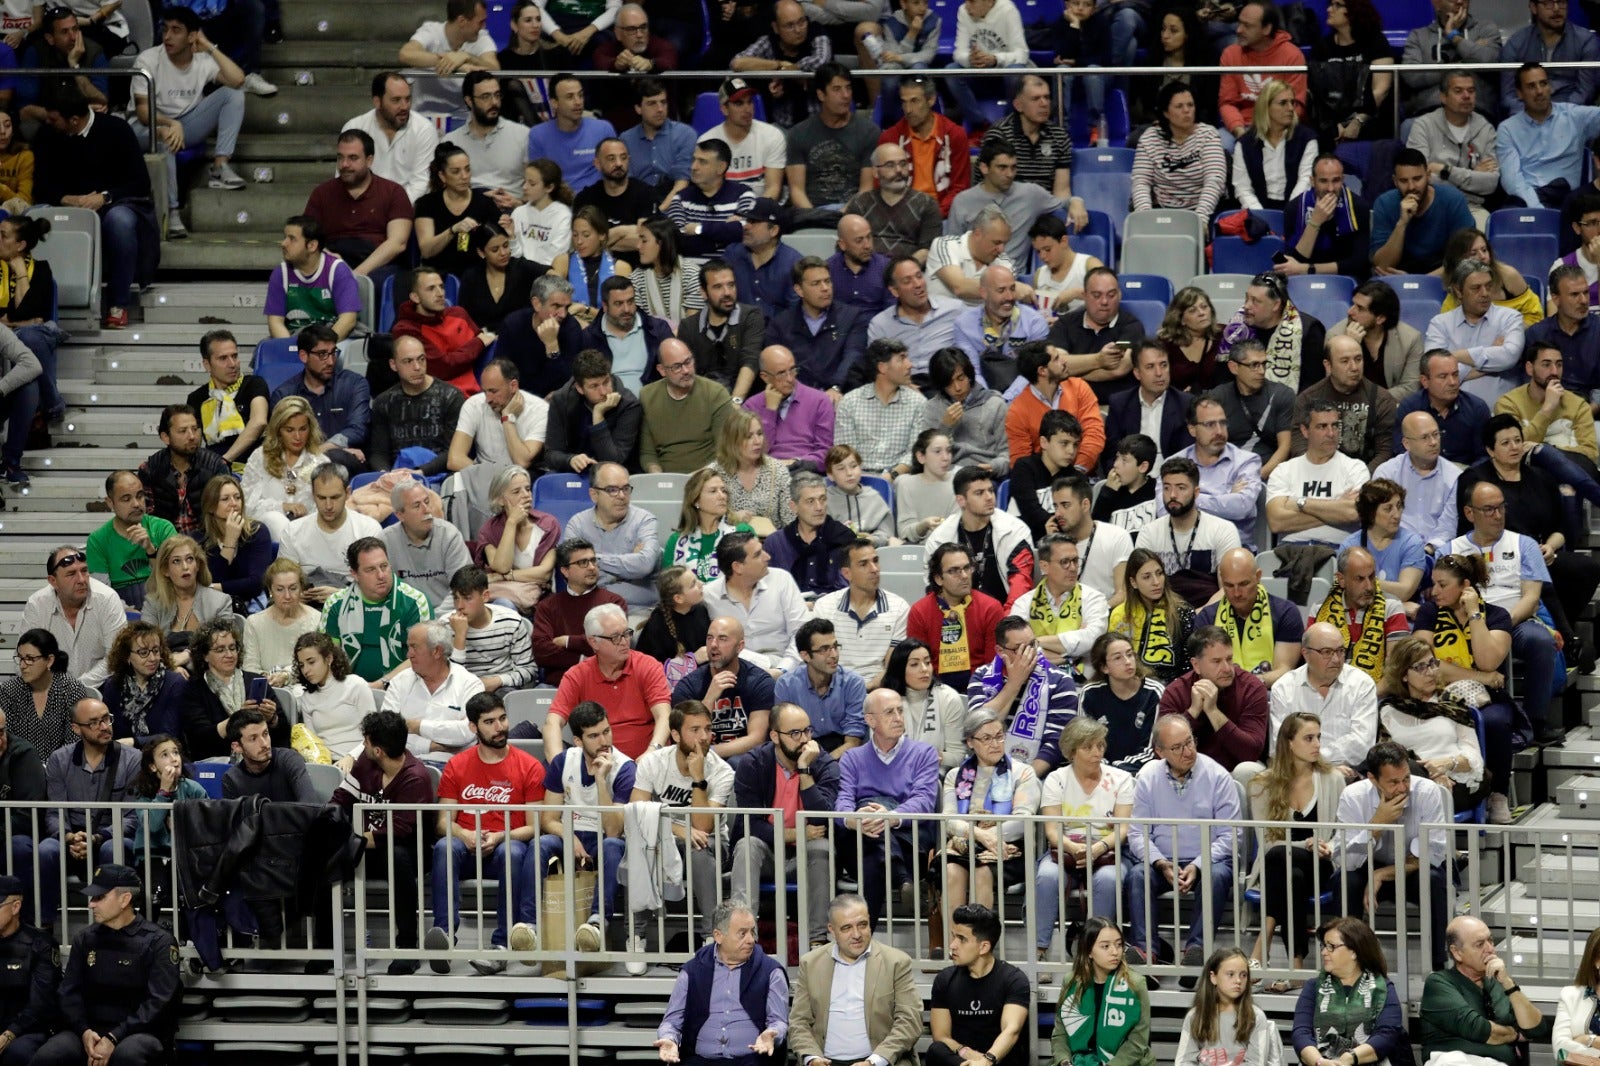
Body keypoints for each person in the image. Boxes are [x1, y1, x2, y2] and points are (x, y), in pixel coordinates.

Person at [424, 690, 546, 974]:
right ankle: (443, 936)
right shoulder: (458, 764)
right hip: (467, 845)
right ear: (473, 727)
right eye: (489, 721)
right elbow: (443, 822)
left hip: (506, 846)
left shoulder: (529, 765)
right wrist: (464, 834)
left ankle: (502, 945)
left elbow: (536, 824)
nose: (500, 727)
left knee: (513, 851)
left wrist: (502, 835)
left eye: (503, 718)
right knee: (444, 847)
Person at [30, 864, 179, 1066]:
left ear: (125, 899)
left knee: (127, 1057)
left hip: (137, 1032)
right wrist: (83, 1031)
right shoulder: (85, 938)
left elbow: (158, 1003)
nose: (91, 904)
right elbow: (68, 992)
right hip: (89, 1030)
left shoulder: (158, 941)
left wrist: (114, 1037)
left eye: (99, 897)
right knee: (49, 1056)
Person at [35, 90, 158, 330]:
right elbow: (40, 186)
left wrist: (104, 197)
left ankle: (118, 304)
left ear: (73, 120)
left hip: (115, 203)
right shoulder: (48, 135)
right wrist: (66, 198)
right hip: (68, 205)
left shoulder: (117, 129)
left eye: (54, 119)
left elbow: (140, 182)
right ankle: (42, 305)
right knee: (36, 215)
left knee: (120, 221)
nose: (49, 123)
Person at [322, 709, 432, 974]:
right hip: (366, 847)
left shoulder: (415, 777)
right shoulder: (365, 765)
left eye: (366, 741)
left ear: (378, 749)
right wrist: (330, 827)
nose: (364, 746)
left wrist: (351, 839)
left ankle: (407, 948)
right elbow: (340, 800)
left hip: (410, 852)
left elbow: (400, 830)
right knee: (324, 854)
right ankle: (326, 948)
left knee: (397, 856)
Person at [1126, 714, 1241, 968]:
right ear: (1159, 751)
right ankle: (1146, 952)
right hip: (1164, 860)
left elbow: (1231, 835)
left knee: (1217, 875)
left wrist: (1198, 865)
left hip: (1209, 859)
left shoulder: (1217, 775)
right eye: (1177, 748)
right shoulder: (1147, 777)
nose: (1187, 751)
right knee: (1137, 875)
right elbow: (1137, 833)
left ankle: (1196, 950)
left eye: (1189, 742)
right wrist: (1160, 863)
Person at [1410, 555, 1519, 813]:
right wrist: (1481, 676)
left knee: (1495, 722)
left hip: (1488, 699)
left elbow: (1487, 659)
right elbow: (1423, 661)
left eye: (1442, 584)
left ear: (1465, 586)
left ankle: (1498, 793)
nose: (1434, 591)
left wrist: (1474, 614)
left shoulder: (1496, 615)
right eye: (1433, 584)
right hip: (1436, 695)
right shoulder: (1429, 612)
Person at [624, 701, 735, 952]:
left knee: (698, 850)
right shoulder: (653, 763)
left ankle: (711, 938)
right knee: (639, 847)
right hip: (664, 839)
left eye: (707, 729)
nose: (704, 737)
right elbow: (636, 812)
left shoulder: (722, 771)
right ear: (675, 735)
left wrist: (698, 780)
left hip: (712, 842)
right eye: (695, 730)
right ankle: (636, 937)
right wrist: (677, 830)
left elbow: (703, 826)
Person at [1245, 712, 1346, 982]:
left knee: (1287, 863)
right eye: (1309, 738)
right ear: (1289, 743)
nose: (1317, 744)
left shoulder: (1333, 779)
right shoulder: (1262, 784)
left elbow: (1342, 831)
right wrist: (1305, 843)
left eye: (1319, 737)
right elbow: (1267, 843)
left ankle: (1260, 946)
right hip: (1281, 869)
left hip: (1321, 866)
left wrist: (1326, 846)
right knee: (1290, 872)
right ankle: (1296, 965)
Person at [130, 7, 246, 240]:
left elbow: (238, 79)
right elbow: (143, 112)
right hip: (146, 128)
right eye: (165, 29)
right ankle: (173, 212)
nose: (167, 37)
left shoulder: (202, 61)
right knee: (165, 138)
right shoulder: (148, 59)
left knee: (234, 95)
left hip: (185, 123)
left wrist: (209, 47)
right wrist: (169, 124)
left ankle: (219, 167)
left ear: (192, 36)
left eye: (176, 31)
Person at [729, 702, 838, 947]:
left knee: (821, 847)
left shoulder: (823, 763)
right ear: (775, 736)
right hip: (767, 852)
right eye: (795, 734)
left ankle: (817, 940)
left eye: (808, 731)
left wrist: (805, 771)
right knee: (748, 845)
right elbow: (751, 824)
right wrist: (798, 833)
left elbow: (823, 819)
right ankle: (741, 935)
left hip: (806, 855)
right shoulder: (753, 764)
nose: (805, 740)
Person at [1338, 740, 1451, 968]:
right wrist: (1378, 823)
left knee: (1434, 881)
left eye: (1406, 778)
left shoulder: (1427, 792)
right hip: (1365, 866)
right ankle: (1347, 966)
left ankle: (1439, 967)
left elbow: (1433, 852)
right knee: (1344, 882)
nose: (1402, 788)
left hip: (1411, 869)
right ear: (1372, 779)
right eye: (1393, 782)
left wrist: (1382, 874)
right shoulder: (1352, 796)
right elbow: (1347, 860)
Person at [534, 700, 631, 949]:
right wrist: (570, 836)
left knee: (612, 845)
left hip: (602, 837)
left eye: (606, 731)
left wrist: (601, 780)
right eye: (594, 736)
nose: (604, 741)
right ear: (578, 741)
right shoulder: (562, 762)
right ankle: (529, 925)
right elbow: (548, 820)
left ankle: (597, 922)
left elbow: (613, 830)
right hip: (569, 834)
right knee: (540, 844)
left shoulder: (625, 768)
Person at [36, 699, 141, 927]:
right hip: (71, 839)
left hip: (108, 837)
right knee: (45, 850)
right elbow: (54, 813)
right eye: (94, 723)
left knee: (115, 847)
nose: (104, 727)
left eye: (106, 719)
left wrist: (96, 838)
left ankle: (113, 926)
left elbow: (131, 818)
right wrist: (68, 838)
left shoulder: (132, 759)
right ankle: (44, 928)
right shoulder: (59, 759)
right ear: (76, 728)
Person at [790, 892, 922, 1066]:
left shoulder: (896, 962)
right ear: (831, 930)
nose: (857, 934)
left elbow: (910, 1021)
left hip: (879, 1060)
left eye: (862, 925)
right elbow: (799, 1022)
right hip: (825, 1060)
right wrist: (812, 1058)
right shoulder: (811, 963)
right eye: (846, 928)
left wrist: (874, 1061)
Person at [935, 707, 1040, 913]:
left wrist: (987, 838)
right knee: (952, 871)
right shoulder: (954, 776)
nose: (995, 744)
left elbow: (1022, 821)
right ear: (970, 742)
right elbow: (949, 820)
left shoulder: (1022, 773)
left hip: (1009, 847)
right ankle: (954, 943)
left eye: (999, 736)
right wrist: (979, 836)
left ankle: (981, 943)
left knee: (981, 871)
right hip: (963, 845)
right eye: (986, 738)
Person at [653, 899, 788, 1057]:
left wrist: (773, 1033)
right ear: (718, 936)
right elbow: (671, 1021)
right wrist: (669, 1039)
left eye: (753, 932)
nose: (751, 940)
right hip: (699, 1061)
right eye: (742, 933)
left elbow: (779, 1021)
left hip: (752, 1061)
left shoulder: (771, 972)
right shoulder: (692, 972)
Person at [1378, 634, 1492, 816]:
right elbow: (1385, 758)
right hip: (1408, 783)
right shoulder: (1388, 710)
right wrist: (1430, 775)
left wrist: (1446, 764)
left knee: (1430, 793)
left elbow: (1474, 757)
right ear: (1403, 675)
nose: (1430, 672)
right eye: (1421, 667)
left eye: (1432, 663)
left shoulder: (1452, 706)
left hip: (1455, 781)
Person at [543, 603, 672, 761]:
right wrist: (558, 764)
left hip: (647, 763)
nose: (625, 642)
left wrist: (653, 750)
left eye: (626, 633)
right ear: (593, 642)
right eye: (615, 637)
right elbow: (553, 722)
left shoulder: (648, 666)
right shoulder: (577, 675)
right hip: (598, 764)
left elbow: (664, 715)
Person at [1421, 915, 1551, 1061]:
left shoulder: (1499, 982)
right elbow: (1477, 1028)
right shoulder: (1439, 983)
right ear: (1457, 952)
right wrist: (1514, 1034)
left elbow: (1536, 1029)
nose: (1490, 949)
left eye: (1490, 940)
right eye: (1480, 944)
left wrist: (1509, 984)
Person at [965, 616, 1078, 778]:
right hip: (985, 767)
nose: (1030, 653)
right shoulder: (982, 676)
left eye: (1032, 644)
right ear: (1000, 651)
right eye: (1019, 648)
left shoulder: (1060, 682)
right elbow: (978, 727)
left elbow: (1056, 743)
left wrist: (1022, 779)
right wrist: (1014, 684)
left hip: (1037, 776)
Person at [1290, 917, 1411, 1066]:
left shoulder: (1383, 988)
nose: (1323, 952)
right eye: (1323, 946)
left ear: (1354, 952)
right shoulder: (1313, 987)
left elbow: (1387, 1033)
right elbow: (1301, 1033)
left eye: (1331, 946)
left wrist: (1349, 1058)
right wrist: (1319, 1062)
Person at [301, 128, 414, 287]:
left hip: (378, 265)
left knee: (381, 282)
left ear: (369, 160)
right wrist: (330, 261)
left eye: (353, 158)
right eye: (340, 157)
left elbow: (397, 243)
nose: (344, 164)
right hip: (333, 260)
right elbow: (307, 238)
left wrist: (356, 275)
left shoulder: (393, 192)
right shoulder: (322, 193)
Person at [1158, 625, 1272, 772]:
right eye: (1217, 661)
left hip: (1236, 769)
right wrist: (1193, 712)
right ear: (1196, 665)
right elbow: (1162, 752)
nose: (1227, 668)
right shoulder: (1175, 692)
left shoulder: (1252, 688)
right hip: (1190, 770)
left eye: (1229, 659)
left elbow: (1251, 752)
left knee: (1247, 770)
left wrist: (1213, 711)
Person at [321, 538, 434, 686]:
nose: (381, 575)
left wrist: (380, 685)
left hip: (406, 688)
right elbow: (327, 656)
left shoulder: (415, 602)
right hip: (347, 689)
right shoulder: (335, 604)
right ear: (354, 574)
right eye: (371, 570)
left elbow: (424, 656)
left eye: (384, 566)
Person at [928, 904, 1030, 1066]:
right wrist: (968, 1055)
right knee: (936, 1050)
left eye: (961, 939)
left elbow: (1011, 1030)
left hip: (998, 1060)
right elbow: (941, 1036)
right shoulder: (945, 979)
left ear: (984, 947)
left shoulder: (1014, 979)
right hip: (963, 1061)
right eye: (953, 936)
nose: (952, 945)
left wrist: (987, 1060)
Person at [923, 467, 1034, 607]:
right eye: (979, 493)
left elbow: (1021, 585)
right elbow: (934, 590)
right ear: (961, 500)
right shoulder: (940, 538)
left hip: (1005, 615)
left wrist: (1006, 622)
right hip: (957, 617)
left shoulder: (1015, 530)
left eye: (991, 490)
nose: (989, 497)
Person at [670, 616, 775, 763]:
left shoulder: (759, 682)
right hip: (697, 759)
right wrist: (709, 699)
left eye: (722, 639)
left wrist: (711, 752)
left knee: (738, 762)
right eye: (709, 638)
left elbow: (756, 739)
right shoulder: (688, 687)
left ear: (740, 646)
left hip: (741, 760)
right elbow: (687, 740)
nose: (713, 644)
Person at [267, 325, 371, 474]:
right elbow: (281, 441)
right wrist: (327, 451)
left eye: (333, 353)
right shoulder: (285, 395)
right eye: (322, 354)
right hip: (299, 467)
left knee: (338, 458)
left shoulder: (354, 384)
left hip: (346, 467)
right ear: (304, 356)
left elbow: (358, 429)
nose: (330, 361)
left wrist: (328, 451)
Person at [1267, 400, 1371, 548]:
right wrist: (1337, 507)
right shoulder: (1284, 470)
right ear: (1305, 431)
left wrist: (1300, 503)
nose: (1331, 433)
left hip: (1338, 552)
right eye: (1322, 427)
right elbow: (1276, 522)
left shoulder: (1355, 468)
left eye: (1335, 425)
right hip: (1290, 551)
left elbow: (1353, 513)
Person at [1290, 336, 1399, 473]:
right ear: (1328, 365)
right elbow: (1299, 446)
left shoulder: (1381, 400)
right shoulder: (1308, 399)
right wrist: (1321, 474)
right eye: (1345, 361)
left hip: (1364, 478)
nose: (1354, 367)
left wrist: (1360, 479)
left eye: (1358, 359)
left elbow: (1384, 452)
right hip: (1318, 473)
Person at [180, 617, 285, 760]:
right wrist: (239, 718)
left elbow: (285, 732)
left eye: (232, 648)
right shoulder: (193, 689)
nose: (229, 655)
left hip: (264, 758)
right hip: (219, 761)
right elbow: (200, 738)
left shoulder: (255, 681)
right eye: (220, 650)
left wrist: (272, 719)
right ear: (205, 655)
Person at [1405, 71, 1500, 229]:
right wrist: (1472, 175)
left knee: (1485, 239)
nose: (1466, 96)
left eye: (1471, 91)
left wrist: (1445, 170)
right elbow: (1418, 178)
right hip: (1430, 204)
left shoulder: (1486, 128)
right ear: (1443, 97)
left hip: (1471, 207)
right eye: (1458, 91)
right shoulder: (1423, 125)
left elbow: (1491, 183)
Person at [1196, 548, 1304, 686]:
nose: (1237, 593)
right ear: (1221, 581)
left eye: (1243, 584)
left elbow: (1284, 671)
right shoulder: (1207, 618)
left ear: (1258, 576)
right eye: (1229, 585)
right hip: (1221, 693)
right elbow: (1204, 670)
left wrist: (1246, 686)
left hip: (1269, 693)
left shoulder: (1286, 612)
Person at [23, 546, 122, 690]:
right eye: (71, 574)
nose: (81, 579)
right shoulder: (37, 605)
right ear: (53, 581)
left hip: (100, 689)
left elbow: (116, 657)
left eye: (84, 571)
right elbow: (26, 660)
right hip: (50, 690)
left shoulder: (107, 599)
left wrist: (74, 688)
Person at [1010, 533, 1109, 677]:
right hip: (1034, 682)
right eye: (1065, 562)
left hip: (1082, 684)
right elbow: (1016, 647)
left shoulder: (1094, 599)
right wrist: (1071, 655)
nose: (1073, 567)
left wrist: (1034, 641)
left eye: (1075, 560)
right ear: (1044, 566)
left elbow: (1093, 640)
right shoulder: (1023, 603)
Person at [367, 336, 466, 479]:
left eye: (421, 359)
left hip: (442, 476)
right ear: (393, 365)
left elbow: (453, 452)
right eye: (408, 361)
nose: (417, 367)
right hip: (398, 477)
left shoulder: (451, 397)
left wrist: (420, 472)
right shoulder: (383, 402)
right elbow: (379, 453)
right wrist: (385, 475)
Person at [1172, 396, 1264, 549]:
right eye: (1210, 425)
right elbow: (1165, 512)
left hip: (1234, 550)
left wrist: (1188, 499)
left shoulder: (1246, 461)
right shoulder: (1174, 463)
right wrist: (1226, 496)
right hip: (1185, 548)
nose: (1219, 431)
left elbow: (1242, 507)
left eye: (1223, 423)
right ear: (1192, 429)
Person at [280, 463, 385, 596]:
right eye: (322, 498)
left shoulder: (369, 529)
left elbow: (378, 584)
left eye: (335, 497)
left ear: (347, 493)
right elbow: (283, 582)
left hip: (354, 604)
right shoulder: (292, 531)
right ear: (313, 495)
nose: (328, 505)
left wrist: (339, 595)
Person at [392, 265, 495, 398]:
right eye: (431, 289)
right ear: (415, 297)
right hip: (434, 401)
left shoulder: (459, 314)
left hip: (475, 397)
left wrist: (479, 342)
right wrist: (478, 343)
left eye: (441, 287)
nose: (440, 293)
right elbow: (443, 368)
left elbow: (485, 346)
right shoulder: (406, 330)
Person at [1371, 148, 1477, 276]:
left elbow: (1467, 257)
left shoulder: (1452, 199)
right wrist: (1402, 223)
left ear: (1428, 176)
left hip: (1443, 276)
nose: (1411, 187)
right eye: (1404, 181)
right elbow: (1382, 266)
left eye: (1417, 179)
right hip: (1397, 278)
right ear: (1395, 181)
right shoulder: (1384, 203)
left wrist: (1419, 282)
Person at [858, 107, 950, 251]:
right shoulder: (860, 205)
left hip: (910, 270)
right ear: (875, 172)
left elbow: (928, 251)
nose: (899, 170)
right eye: (890, 165)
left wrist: (902, 271)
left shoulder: (927, 205)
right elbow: (849, 246)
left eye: (903, 164)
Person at [1004, 341, 1106, 470]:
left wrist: (1079, 469)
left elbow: (1094, 433)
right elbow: (1020, 459)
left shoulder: (1079, 388)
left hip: (1082, 473)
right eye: (1057, 358)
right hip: (1042, 481)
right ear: (1042, 371)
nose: (1064, 361)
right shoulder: (1017, 410)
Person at [640, 339, 735, 475]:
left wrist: (695, 479)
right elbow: (647, 453)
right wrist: (657, 476)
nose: (685, 370)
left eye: (688, 362)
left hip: (708, 477)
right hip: (667, 481)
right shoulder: (648, 396)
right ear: (662, 370)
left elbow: (727, 452)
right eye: (677, 367)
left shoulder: (715, 393)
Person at [1131, 83, 1227, 218]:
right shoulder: (1150, 138)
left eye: (1190, 105)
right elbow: (1141, 182)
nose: (1186, 110)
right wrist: (1145, 217)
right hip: (1162, 211)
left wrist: (1201, 217)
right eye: (1179, 106)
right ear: (1165, 113)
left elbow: (1215, 180)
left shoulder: (1208, 135)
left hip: (1202, 211)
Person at [438, 75, 529, 216]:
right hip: (467, 217)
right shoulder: (451, 141)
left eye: (497, 95)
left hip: (512, 215)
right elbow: (441, 188)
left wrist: (519, 204)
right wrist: (478, 198)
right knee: (462, 236)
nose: (494, 102)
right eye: (485, 97)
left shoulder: (523, 135)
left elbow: (537, 185)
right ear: (469, 100)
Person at [396, 0, 500, 124]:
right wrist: (454, 63)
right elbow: (405, 54)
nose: (484, 26)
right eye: (480, 22)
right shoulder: (431, 31)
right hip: (422, 118)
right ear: (462, 21)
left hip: (463, 120)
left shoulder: (481, 37)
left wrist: (467, 57)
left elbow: (495, 70)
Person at [541, 349, 643, 475]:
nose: (604, 392)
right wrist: (570, 460)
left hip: (616, 475)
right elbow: (551, 454)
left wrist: (598, 416)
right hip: (575, 472)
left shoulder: (628, 404)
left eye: (606, 382)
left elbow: (613, 461)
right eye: (594, 386)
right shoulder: (561, 400)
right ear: (579, 388)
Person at [1306, 0, 1394, 144]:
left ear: (1355, 10)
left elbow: (1381, 89)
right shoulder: (1322, 46)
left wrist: (1358, 120)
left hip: (1369, 116)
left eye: (1337, 5)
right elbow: (1317, 93)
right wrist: (1333, 124)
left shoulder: (1376, 42)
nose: (1329, 9)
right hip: (1332, 118)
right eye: (1330, 4)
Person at [240, 396, 326, 543]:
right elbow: (246, 505)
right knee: (275, 520)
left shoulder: (320, 463)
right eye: (290, 430)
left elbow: (327, 508)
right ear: (278, 430)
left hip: (308, 532)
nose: (297, 436)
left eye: (303, 429)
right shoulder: (260, 458)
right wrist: (282, 506)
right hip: (266, 530)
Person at [138, 404, 233, 538]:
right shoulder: (150, 470)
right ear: (166, 437)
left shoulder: (215, 466)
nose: (192, 436)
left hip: (209, 544)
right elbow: (146, 518)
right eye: (183, 431)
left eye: (195, 429)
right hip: (165, 546)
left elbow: (228, 514)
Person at [1374, 411, 1461, 557]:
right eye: (1425, 437)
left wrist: (1427, 551)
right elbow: (1380, 521)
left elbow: (1448, 527)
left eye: (1436, 434)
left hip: (1436, 555)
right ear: (1406, 444)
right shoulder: (1386, 473)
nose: (1433, 442)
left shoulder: (1455, 477)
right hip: (1393, 550)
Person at [1219, 1, 1307, 143]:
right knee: (1222, 144)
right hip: (1241, 127)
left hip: (1279, 127)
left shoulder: (1292, 55)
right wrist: (1241, 133)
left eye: (1247, 26)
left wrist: (1271, 134)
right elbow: (1227, 103)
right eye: (1239, 23)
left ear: (1266, 29)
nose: (1238, 30)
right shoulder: (1230, 54)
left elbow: (1296, 106)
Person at [86, 470, 176, 609]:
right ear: (110, 502)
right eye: (126, 499)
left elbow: (176, 578)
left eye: (140, 496)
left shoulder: (163, 528)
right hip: (119, 607)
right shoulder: (98, 540)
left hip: (164, 602)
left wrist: (150, 550)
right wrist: (126, 613)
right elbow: (102, 593)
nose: (136, 504)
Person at [1176, 948, 1281, 1066]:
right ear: (1213, 977)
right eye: (1230, 974)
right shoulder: (1195, 1016)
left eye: (1243, 975)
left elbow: (1256, 1063)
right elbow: (1184, 1061)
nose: (1238, 980)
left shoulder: (1256, 1016)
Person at [0, 629, 93, 761]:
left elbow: (75, 742)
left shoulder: (71, 689)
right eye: (20, 658)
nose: (22, 665)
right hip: (19, 769)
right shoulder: (9, 691)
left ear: (49, 660)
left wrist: (52, 768)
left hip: (62, 769)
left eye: (30, 659)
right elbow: (6, 741)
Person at [475, 466, 561, 608]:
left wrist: (502, 577)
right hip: (503, 598)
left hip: (540, 600)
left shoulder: (548, 525)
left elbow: (544, 573)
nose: (526, 495)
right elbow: (502, 566)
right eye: (516, 491)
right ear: (500, 500)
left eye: (527, 489)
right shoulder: (489, 530)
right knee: (503, 604)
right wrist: (511, 523)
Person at [344, 71, 437, 202]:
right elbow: (347, 178)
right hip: (363, 208)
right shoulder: (355, 128)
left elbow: (422, 183)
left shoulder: (424, 129)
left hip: (409, 210)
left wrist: (393, 211)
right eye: (396, 100)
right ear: (377, 102)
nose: (404, 106)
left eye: (407, 99)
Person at [444, 566, 538, 694]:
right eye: (456, 598)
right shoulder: (446, 625)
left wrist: (497, 681)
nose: (459, 606)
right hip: (462, 690)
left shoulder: (510, 622)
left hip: (501, 687)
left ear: (485, 596)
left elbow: (529, 670)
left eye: (467, 598)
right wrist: (460, 636)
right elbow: (447, 680)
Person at [1399, 0, 1501, 120]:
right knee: (1408, 128)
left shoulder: (1486, 30)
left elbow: (1488, 60)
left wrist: (1454, 36)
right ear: (1436, 4)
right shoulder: (1418, 36)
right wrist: (1462, 63)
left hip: (1477, 111)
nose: (1459, 1)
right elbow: (1412, 77)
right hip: (1429, 110)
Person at [867, 255, 965, 380]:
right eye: (907, 281)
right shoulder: (880, 325)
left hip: (946, 384)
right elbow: (878, 372)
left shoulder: (955, 310)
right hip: (902, 388)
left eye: (919, 276)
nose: (918, 284)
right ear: (894, 291)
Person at [380, 479, 471, 612]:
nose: (427, 510)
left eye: (427, 502)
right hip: (403, 620)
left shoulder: (449, 535)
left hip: (447, 617)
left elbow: (464, 588)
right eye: (417, 506)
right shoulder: (384, 541)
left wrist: (431, 620)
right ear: (400, 515)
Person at [1279, 155, 1373, 282]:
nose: (1330, 188)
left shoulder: (1358, 207)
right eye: (1323, 181)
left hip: (1347, 279)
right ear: (1312, 181)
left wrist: (1309, 269)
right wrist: (1315, 221)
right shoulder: (1294, 208)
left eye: (1336, 180)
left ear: (1343, 179)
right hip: (1304, 280)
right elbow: (1293, 263)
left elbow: (1358, 263)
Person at [1047, 472, 1135, 607]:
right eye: (1056, 506)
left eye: (1065, 505)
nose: (1058, 513)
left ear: (1085, 505)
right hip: (1066, 621)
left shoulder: (1116, 537)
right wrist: (1050, 547)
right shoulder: (1057, 545)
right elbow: (1050, 597)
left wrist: (1094, 617)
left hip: (1107, 617)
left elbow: (1123, 594)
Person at [1110, 548, 1197, 683]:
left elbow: (1190, 663)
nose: (1156, 582)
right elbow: (1116, 662)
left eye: (1159, 573)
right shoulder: (1119, 615)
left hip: (1174, 688)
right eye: (1147, 577)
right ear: (1133, 582)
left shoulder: (1182, 612)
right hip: (1133, 686)